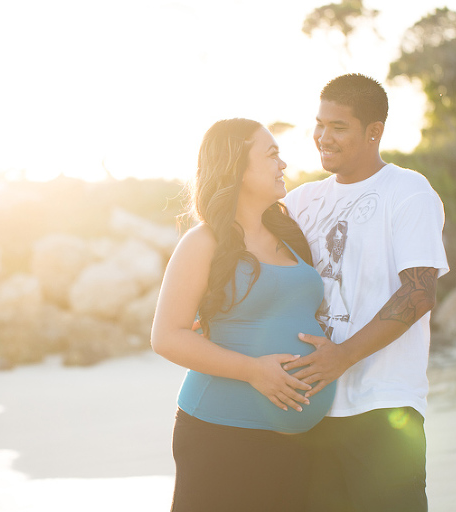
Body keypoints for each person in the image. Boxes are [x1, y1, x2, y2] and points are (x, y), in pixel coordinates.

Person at [282, 74, 449, 511]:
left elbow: (419, 293)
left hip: (384, 409)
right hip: (312, 408)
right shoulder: (301, 201)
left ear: (374, 131)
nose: (322, 137)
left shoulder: (408, 192)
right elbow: (254, 263)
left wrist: (342, 356)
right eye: (319, 124)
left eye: (338, 126)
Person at [151, 118, 336, 512]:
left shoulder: (291, 235)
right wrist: (254, 370)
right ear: (237, 165)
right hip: (219, 433)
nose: (283, 164)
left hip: (296, 441)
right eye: (271, 154)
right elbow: (167, 336)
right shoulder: (203, 242)